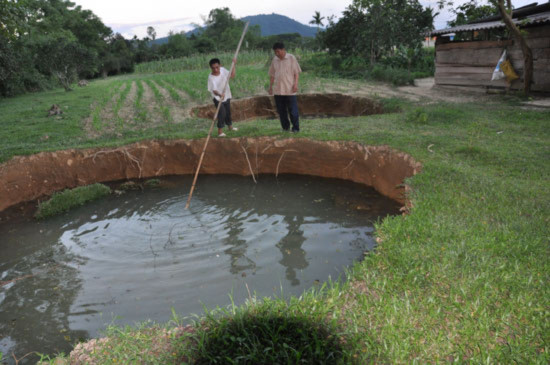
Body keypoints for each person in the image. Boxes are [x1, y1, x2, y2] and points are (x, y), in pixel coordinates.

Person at [268, 42, 302, 133]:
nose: (277, 54)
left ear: (283, 50)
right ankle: (285, 128)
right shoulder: (274, 60)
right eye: (275, 52)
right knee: (281, 111)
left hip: (289, 89)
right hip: (278, 90)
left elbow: (296, 73)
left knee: (293, 111)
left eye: (278, 51)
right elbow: (272, 75)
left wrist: (295, 84)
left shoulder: (291, 58)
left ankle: (295, 128)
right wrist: (270, 87)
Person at [207, 58, 238, 137]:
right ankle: (220, 131)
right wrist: (220, 94)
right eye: (213, 68)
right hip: (218, 98)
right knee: (222, 113)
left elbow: (232, 75)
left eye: (217, 67)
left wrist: (233, 64)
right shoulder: (211, 77)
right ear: (211, 68)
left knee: (228, 112)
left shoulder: (223, 70)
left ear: (220, 65)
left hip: (226, 94)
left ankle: (230, 127)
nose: (216, 69)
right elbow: (214, 90)